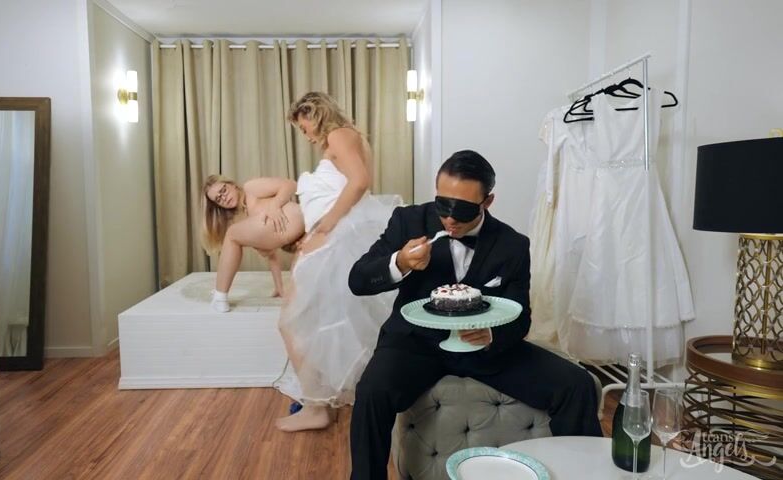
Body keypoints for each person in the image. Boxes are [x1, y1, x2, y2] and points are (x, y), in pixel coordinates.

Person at [347, 150, 602, 479]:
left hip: (483, 349)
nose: (450, 219)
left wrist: (493, 335)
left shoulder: (512, 244)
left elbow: (521, 316)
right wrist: (400, 262)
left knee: (577, 385)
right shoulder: (408, 221)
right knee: (371, 392)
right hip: (414, 344)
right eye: (443, 205)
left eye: (463, 209)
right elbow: (358, 280)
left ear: (488, 201)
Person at [273, 92, 398, 432]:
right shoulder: (348, 137)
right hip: (338, 237)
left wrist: (325, 228)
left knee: (293, 322)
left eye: (304, 127)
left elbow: (360, 182)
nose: (305, 135)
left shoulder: (339, 135)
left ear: (315, 115)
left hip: (338, 238)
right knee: (323, 319)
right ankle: (325, 400)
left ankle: (316, 407)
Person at [200, 174, 305, 311]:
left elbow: (291, 184)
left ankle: (219, 296)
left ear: (232, 185)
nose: (224, 198)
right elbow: (271, 254)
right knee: (298, 297)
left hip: (299, 220)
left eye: (223, 190)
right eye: (218, 199)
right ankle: (220, 294)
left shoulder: (250, 188)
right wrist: (279, 287)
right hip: (299, 234)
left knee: (231, 234)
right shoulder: (246, 221)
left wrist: (274, 205)